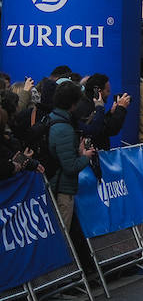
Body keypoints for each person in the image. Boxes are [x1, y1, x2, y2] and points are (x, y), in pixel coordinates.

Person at [47, 80, 96, 229]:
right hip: (62, 190)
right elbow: (69, 166)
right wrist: (86, 156)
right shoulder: (65, 129)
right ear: (73, 104)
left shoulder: (51, 118)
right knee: (63, 235)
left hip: (54, 185)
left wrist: (78, 151)